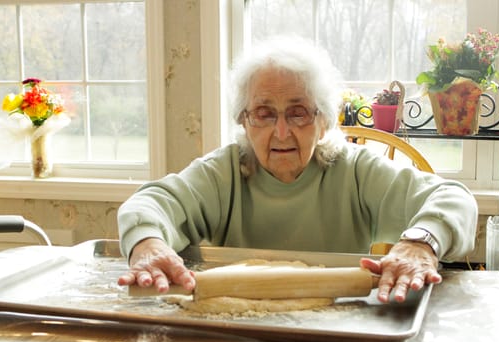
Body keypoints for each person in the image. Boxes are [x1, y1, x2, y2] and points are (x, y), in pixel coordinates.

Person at [117, 37, 478, 303]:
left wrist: (421, 242)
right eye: (264, 112)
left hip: (337, 327)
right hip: (239, 327)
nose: (281, 131)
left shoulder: (354, 170)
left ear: (323, 121)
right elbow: (150, 203)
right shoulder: (224, 172)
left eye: (298, 111)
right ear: (244, 121)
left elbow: (454, 198)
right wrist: (147, 242)